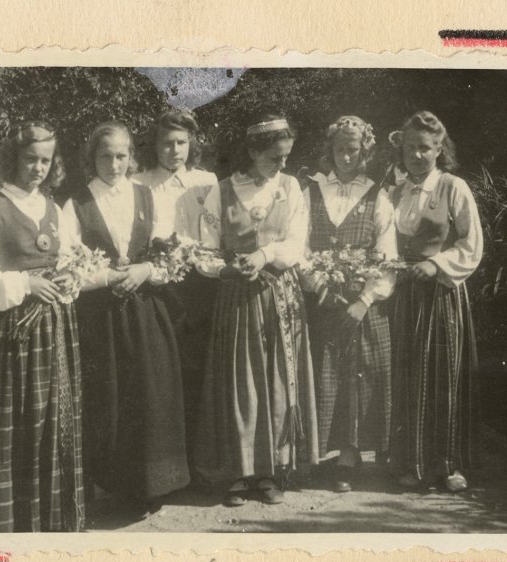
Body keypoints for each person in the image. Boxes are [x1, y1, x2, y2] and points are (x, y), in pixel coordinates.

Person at [0, 123, 84, 532]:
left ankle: (49, 517)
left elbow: (70, 259)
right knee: (15, 423)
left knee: (49, 417)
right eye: (30, 159)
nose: (38, 168)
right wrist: (26, 284)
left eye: (45, 161)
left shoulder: (52, 208)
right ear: (13, 159)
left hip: (53, 328)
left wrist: (68, 276)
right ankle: (9, 522)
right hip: (13, 329)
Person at [62, 121, 190, 513]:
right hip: (100, 316)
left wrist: (144, 270)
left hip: (145, 310)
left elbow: (171, 251)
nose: (114, 164)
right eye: (106, 156)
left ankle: (152, 485)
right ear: (92, 158)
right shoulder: (76, 203)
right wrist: (106, 277)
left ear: (131, 157)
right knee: (110, 397)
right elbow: (67, 264)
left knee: (149, 394)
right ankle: (116, 483)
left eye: (121, 156)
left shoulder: (147, 196)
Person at [193, 114, 318, 506]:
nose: (282, 164)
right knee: (241, 382)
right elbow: (204, 250)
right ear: (251, 152)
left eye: (286, 157)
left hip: (280, 295)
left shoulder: (290, 187)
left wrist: (264, 255)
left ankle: (270, 471)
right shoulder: (222, 191)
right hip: (237, 297)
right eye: (274, 157)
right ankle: (239, 471)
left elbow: (295, 243)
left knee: (277, 378)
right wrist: (227, 269)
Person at [302, 116, 398, 493]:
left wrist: (364, 299)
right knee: (326, 376)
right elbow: (301, 247)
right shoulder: (312, 190)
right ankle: (320, 455)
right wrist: (319, 286)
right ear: (330, 149)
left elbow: (387, 255)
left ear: (365, 152)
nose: (345, 157)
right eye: (340, 149)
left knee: (361, 376)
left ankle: (350, 455)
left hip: (363, 305)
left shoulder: (378, 195)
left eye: (353, 150)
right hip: (324, 300)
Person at [389, 110, 483, 492]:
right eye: (410, 147)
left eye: (425, 148)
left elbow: (471, 243)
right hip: (404, 297)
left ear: (439, 149)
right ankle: (410, 464)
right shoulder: (394, 191)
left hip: (442, 294)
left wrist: (436, 264)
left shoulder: (453, 187)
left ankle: (449, 465)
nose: (417, 155)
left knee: (444, 377)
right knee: (408, 378)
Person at [134, 111, 221, 474]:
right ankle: (167, 466)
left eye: (181, 142)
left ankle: (200, 464)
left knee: (197, 370)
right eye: (166, 143)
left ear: (191, 144)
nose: (174, 150)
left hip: (199, 285)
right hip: (156, 286)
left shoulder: (207, 181)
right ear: (154, 146)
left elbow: (214, 233)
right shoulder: (139, 183)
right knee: (162, 376)